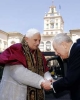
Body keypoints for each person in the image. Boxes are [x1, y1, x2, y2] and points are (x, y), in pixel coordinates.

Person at [0, 28, 52, 100]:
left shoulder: (39, 53)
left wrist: (49, 79)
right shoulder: (16, 49)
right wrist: (42, 82)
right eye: (35, 40)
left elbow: (44, 69)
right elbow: (19, 73)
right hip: (15, 93)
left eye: (39, 40)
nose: (38, 43)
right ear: (27, 39)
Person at [42, 33, 80, 100]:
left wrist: (51, 85)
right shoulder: (73, 52)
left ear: (64, 45)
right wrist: (55, 83)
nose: (56, 53)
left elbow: (70, 79)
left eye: (56, 49)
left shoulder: (78, 51)